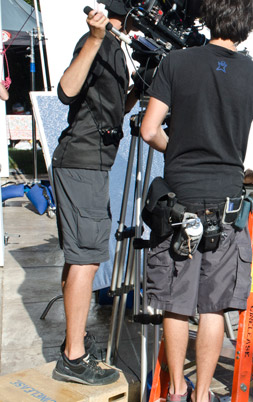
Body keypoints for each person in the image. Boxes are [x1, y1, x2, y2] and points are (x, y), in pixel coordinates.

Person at [140, 0, 253, 400]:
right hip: (226, 204)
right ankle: (202, 395)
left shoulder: (175, 63)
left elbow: (149, 130)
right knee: (214, 306)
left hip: (178, 201)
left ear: (207, 17)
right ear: (248, 25)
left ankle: (175, 392)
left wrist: (176, 150)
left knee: (176, 302)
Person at [51, 0, 138, 385]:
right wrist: (95, 37)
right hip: (82, 163)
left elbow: (112, 112)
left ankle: (74, 342)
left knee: (78, 258)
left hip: (91, 163)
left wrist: (139, 89)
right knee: (86, 259)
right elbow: (66, 90)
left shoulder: (116, 48)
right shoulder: (99, 42)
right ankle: (73, 358)